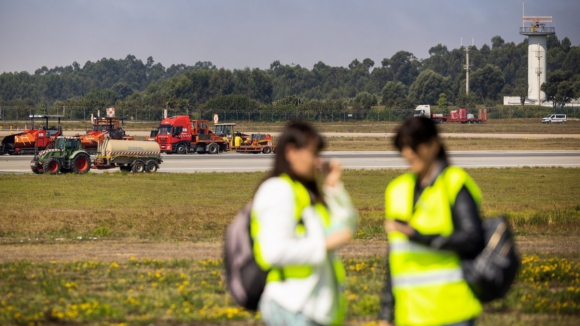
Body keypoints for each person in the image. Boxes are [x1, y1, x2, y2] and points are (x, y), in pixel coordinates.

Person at [379, 117, 485, 326]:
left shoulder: (454, 183)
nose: (408, 153)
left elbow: (473, 239)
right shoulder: (397, 189)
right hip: (410, 315)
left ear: (434, 145)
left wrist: (418, 236)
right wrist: (385, 313)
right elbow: (394, 256)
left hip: (451, 312)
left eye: (414, 146)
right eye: (403, 147)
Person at [252, 121, 357, 326]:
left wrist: (333, 187)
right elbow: (272, 251)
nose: (318, 162)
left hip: (312, 309)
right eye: (313, 154)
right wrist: (323, 244)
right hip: (292, 307)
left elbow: (346, 227)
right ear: (291, 151)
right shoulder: (278, 190)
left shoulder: (305, 193)